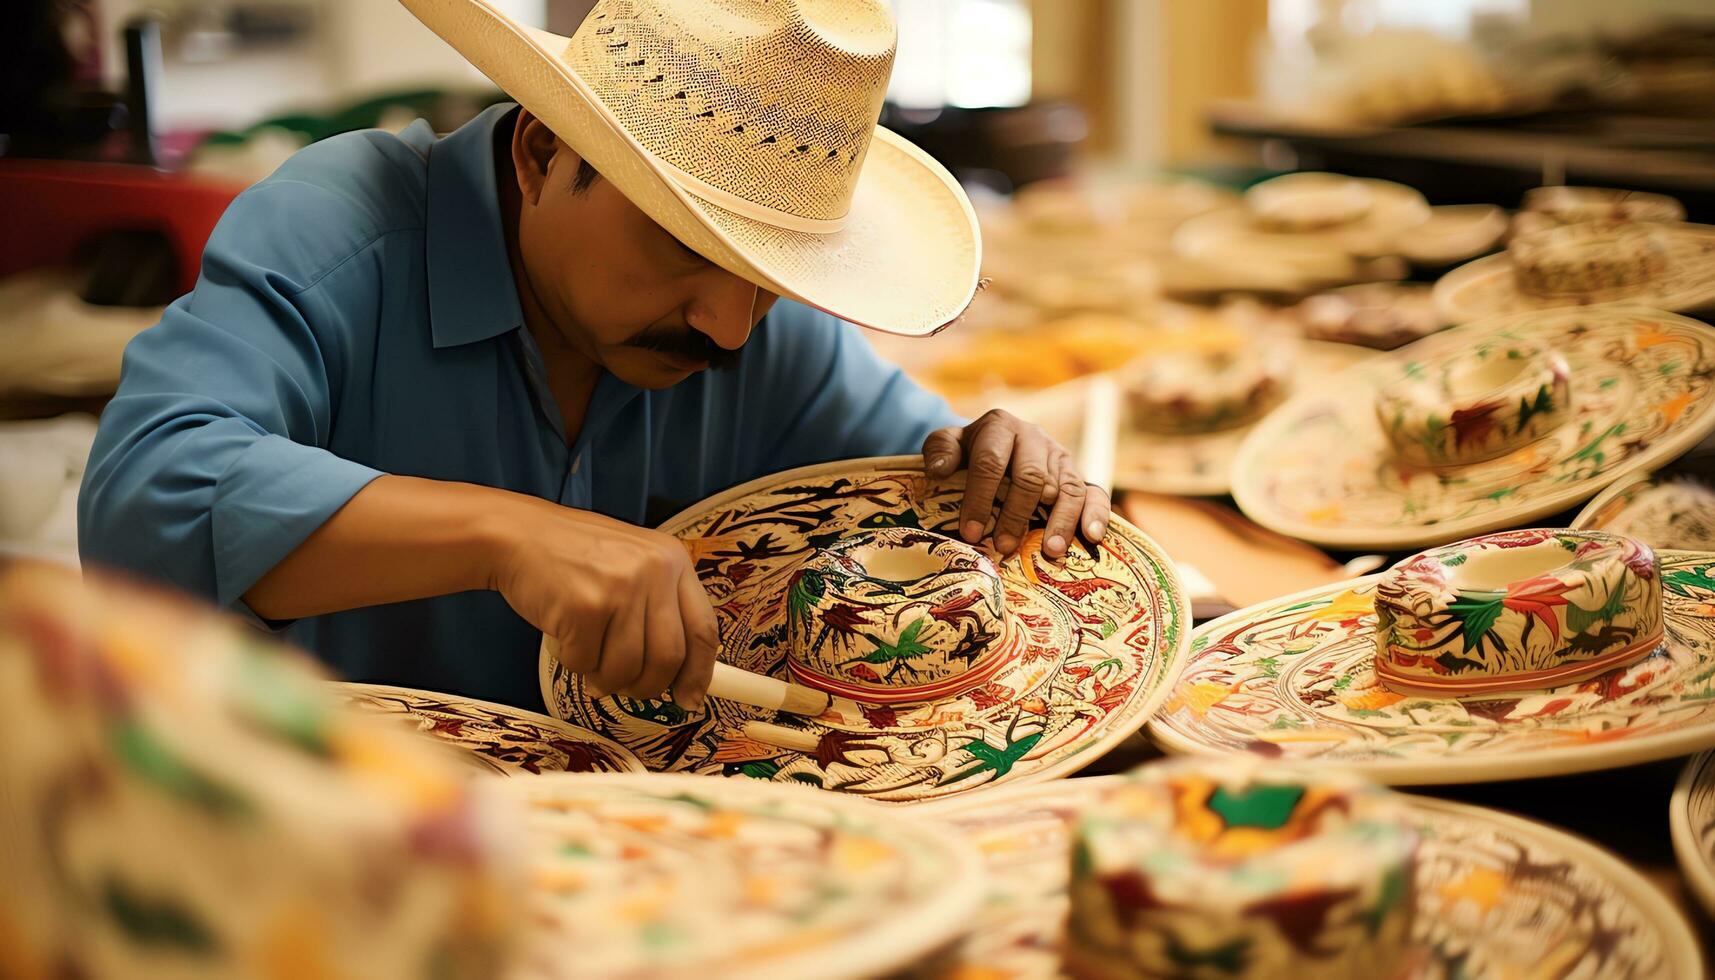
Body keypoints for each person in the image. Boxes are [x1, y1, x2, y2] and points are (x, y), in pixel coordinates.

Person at [78, 0, 1110, 714]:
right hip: (335, 844)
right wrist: (506, 536)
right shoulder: (338, 230)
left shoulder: (757, 326)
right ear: (540, 155)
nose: (731, 327)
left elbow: (916, 492)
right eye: (687, 245)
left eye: (768, 270)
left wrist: (994, 462)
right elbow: (145, 498)